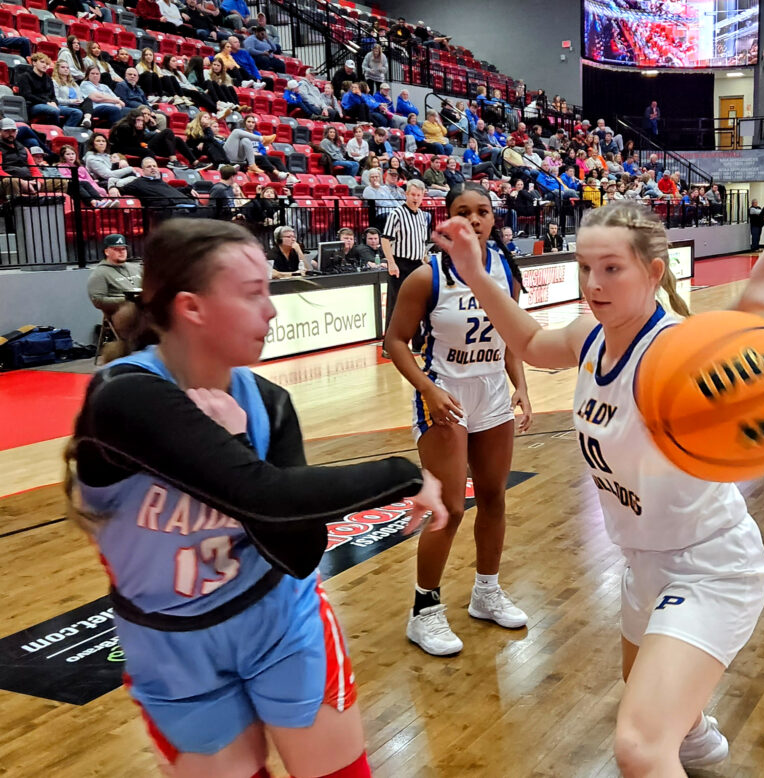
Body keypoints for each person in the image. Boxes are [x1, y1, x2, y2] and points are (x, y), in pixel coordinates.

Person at [431, 200, 764, 775]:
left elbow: (711, 369)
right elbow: (528, 343)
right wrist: (474, 273)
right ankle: (697, 741)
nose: (594, 283)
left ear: (654, 271)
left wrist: (751, 306)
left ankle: (683, 741)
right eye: (586, 268)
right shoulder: (589, 337)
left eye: (612, 268)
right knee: (651, 700)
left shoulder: (669, 349)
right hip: (642, 561)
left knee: (640, 746)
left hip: (710, 565)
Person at [67, 218, 446, 778]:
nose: (271, 310)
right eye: (252, 294)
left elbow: (300, 549)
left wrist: (244, 440)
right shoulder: (123, 397)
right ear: (191, 308)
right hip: (170, 642)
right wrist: (405, 474)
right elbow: (261, 495)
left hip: (278, 619)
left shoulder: (267, 401)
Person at [384, 182, 531, 656]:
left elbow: (511, 334)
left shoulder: (503, 269)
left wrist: (522, 387)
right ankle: (423, 611)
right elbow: (395, 341)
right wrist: (427, 389)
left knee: (493, 497)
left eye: (481, 211)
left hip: (491, 390)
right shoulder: (425, 278)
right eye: (461, 211)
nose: (472, 219)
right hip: (444, 391)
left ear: (492, 220)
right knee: (447, 507)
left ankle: (486, 592)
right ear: (445, 221)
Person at [381, 179, 430, 356]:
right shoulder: (396, 214)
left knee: (419, 305)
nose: (416, 198)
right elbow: (385, 239)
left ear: (423, 196)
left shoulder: (423, 216)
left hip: (418, 264)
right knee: (395, 306)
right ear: (406, 194)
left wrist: (426, 259)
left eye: (419, 195)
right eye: (412, 194)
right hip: (400, 264)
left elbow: (422, 242)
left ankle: (417, 344)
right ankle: (388, 347)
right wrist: (391, 262)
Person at [17, 53, 84, 127]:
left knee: (77, 113)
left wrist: (54, 102)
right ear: (34, 63)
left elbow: (53, 95)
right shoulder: (25, 76)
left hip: (50, 104)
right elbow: (27, 95)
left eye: (47, 63)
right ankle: (56, 130)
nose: (45, 65)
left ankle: (65, 131)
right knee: (53, 110)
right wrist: (47, 103)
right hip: (34, 105)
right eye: (42, 62)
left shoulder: (48, 78)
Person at [87, 233, 142, 316]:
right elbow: (98, 301)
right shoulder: (100, 273)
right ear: (106, 252)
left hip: (143, 310)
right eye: (116, 249)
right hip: (120, 314)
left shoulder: (136, 268)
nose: (121, 252)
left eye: (123, 249)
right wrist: (127, 300)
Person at [120, 157, 200, 208]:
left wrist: (187, 189)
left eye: (154, 166)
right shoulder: (138, 183)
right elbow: (121, 189)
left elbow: (171, 190)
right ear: (143, 170)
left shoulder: (160, 182)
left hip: (187, 206)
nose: (152, 168)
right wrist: (112, 188)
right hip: (170, 212)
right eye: (149, 166)